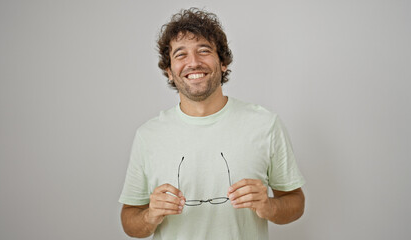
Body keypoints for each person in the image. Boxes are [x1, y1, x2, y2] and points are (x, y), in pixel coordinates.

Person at [119, 7, 305, 240]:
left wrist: (270, 206)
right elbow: (129, 220)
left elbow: (296, 202)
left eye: (204, 50)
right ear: (169, 71)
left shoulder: (265, 124)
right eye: (180, 54)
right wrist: (150, 216)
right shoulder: (148, 135)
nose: (193, 62)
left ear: (223, 62)